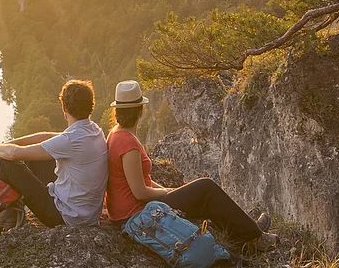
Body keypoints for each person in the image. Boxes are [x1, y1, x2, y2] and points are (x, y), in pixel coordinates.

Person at [102, 80, 264, 245]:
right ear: (140, 111)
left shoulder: (115, 134)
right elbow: (140, 193)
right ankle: (255, 236)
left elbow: (142, 180)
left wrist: (172, 191)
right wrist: (166, 192)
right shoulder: (128, 143)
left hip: (128, 211)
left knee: (198, 196)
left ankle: (245, 231)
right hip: (136, 214)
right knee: (206, 187)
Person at [0, 79, 110, 228]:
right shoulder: (94, 131)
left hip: (64, 217)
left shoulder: (70, 140)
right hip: (87, 215)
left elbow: (13, 154)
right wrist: (6, 144)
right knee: (35, 158)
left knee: (4, 164)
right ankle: (9, 211)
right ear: (91, 106)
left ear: (64, 107)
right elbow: (44, 137)